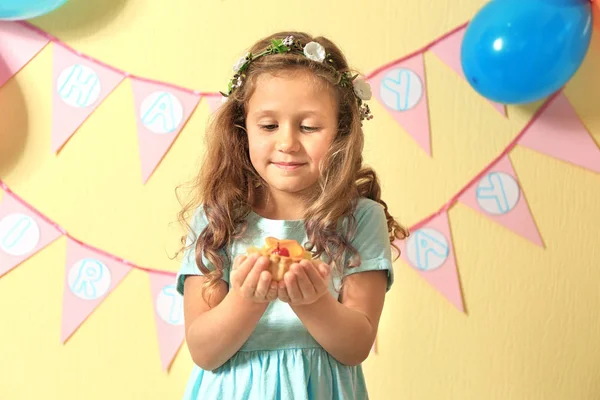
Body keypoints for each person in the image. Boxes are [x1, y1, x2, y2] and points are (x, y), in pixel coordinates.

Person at [175, 31, 408, 400]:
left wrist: (313, 301)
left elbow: (355, 347)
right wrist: (247, 299)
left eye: (309, 127)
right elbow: (204, 351)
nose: (287, 143)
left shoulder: (360, 218)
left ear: (342, 132)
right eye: (268, 126)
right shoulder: (218, 219)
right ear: (242, 129)